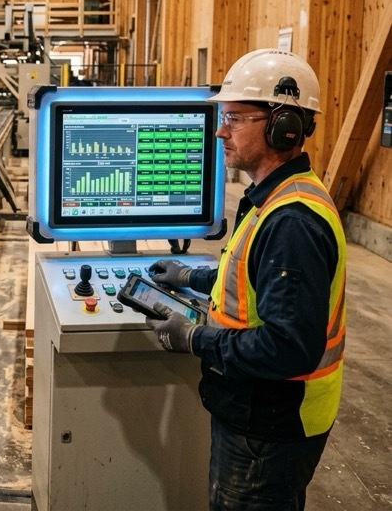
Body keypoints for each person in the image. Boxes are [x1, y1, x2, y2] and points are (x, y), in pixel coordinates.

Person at [145, 49, 346, 510]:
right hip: (265, 411)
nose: (220, 130)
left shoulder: (292, 221)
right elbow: (255, 278)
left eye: (234, 117)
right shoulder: (274, 198)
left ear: (283, 127)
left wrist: (197, 339)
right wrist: (191, 275)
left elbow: (287, 346)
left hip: (272, 421)